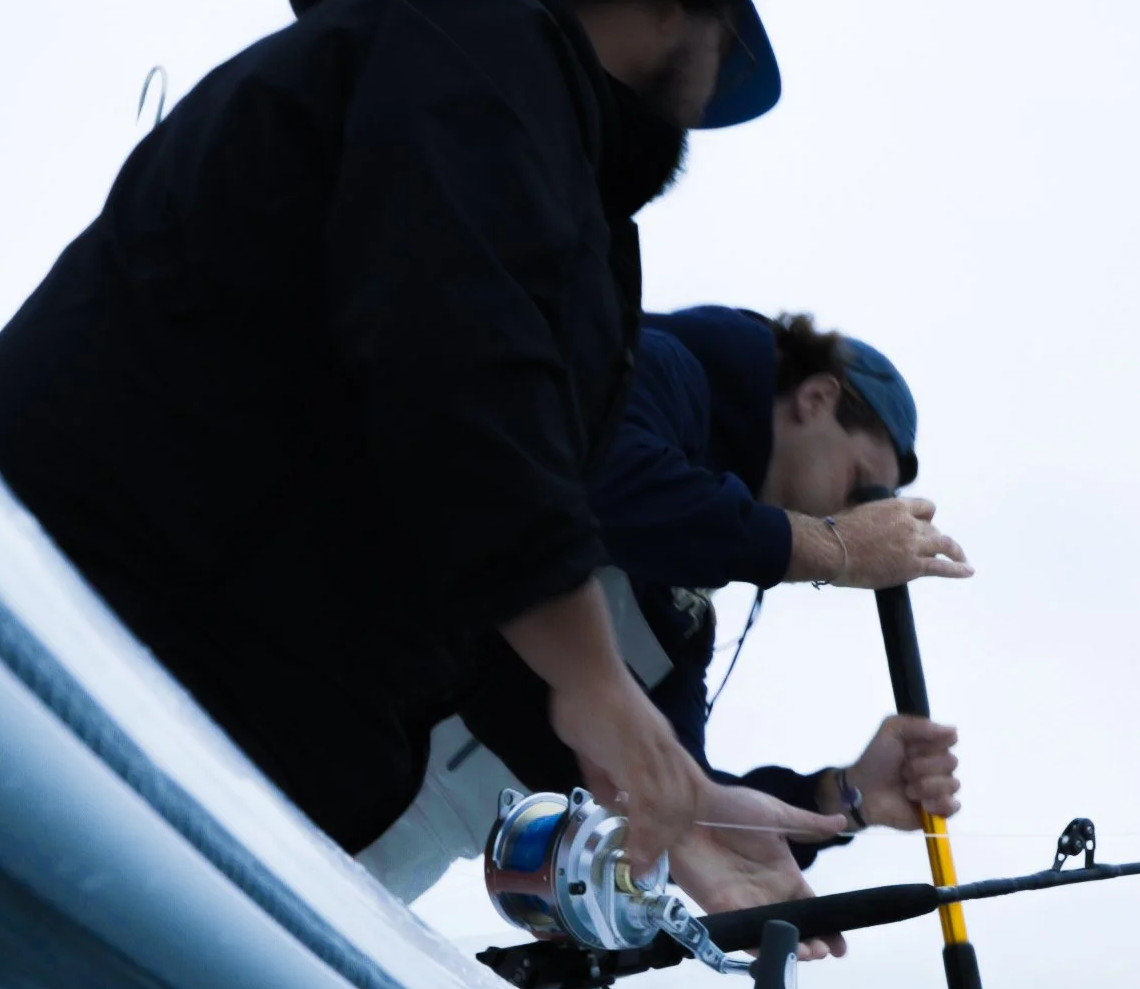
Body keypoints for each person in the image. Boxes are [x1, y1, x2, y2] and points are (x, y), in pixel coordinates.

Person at [0, 0, 829, 910]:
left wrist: (675, 795)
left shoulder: (535, 145)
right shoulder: (475, 35)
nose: (705, 101)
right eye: (720, 45)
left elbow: (458, 537)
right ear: (669, 2)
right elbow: (457, 359)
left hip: (182, 740)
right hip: (78, 673)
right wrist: (594, 676)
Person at [367, 304, 972, 898]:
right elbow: (594, 480)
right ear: (815, 399)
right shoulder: (661, 367)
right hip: (332, 710)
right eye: (861, 483)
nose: (856, 514)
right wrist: (828, 549)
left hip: (397, 854)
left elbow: (674, 783)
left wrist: (844, 796)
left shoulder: (685, 607)